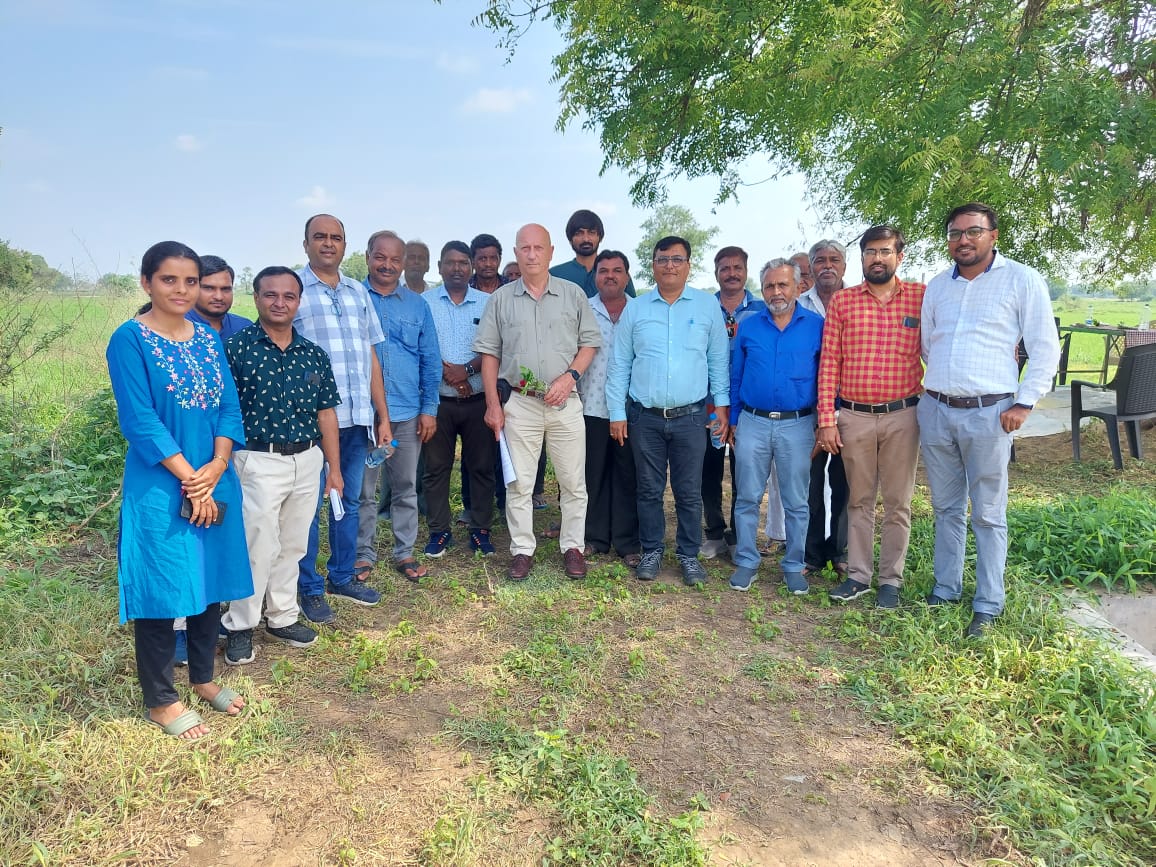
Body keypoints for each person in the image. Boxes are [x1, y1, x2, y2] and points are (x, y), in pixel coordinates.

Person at [106, 241, 251, 739]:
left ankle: (204, 678)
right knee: (162, 586)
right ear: (147, 283)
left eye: (191, 281)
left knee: (209, 578)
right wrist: (191, 478)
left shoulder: (208, 339)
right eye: (170, 280)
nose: (183, 291)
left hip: (214, 473)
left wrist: (217, 464)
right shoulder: (129, 340)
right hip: (162, 482)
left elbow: (229, 407)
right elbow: (140, 419)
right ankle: (161, 699)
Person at [920, 203, 1060, 638]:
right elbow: (928, 345)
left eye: (973, 231)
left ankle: (987, 602)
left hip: (991, 414)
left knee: (988, 512)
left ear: (993, 235)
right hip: (937, 409)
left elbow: (1045, 347)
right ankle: (945, 588)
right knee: (944, 507)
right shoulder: (937, 287)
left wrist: (1024, 403)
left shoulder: (1021, 279)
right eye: (955, 232)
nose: (963, 239)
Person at [222, 267, 342, 664]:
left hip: (307, 459)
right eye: (271, 295)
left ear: (298, 301)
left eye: (288, 296)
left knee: (294, 542)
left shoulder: (313, 354)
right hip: (257, 459)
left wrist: (334, 469)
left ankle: (283, 615)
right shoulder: (236, 349)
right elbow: (223, 412)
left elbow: (326, 414)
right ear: (255, 298)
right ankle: (241, 623)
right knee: (258, 544)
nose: (280, 302)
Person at [474, 223, 601, 581]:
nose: (531, 254)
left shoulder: (573, 294)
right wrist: (492, 405)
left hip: (565, 400)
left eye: (538, 248)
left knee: (573, 480)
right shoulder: (501, 299)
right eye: (524, 248)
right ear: (516, 253)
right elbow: (489, 355)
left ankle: (573, 546)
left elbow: (589, 343)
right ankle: (521, 549)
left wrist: (569, 377)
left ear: (550, 252)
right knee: (520, 484)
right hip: (521, 402)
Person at [606, 236, 730, 586]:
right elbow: (620, 364)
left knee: (689, 491)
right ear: (654, 265)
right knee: (648, 488)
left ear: (689, 265)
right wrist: (617, 412)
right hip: (644, 417)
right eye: (663, 259)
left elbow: (719, 361)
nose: (670, 265)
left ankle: (689, 556)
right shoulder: (637, 309)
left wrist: (720, 406)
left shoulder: (706, 307)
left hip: (691, 417)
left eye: (677, 259)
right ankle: (652, 551)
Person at [816, 226, 925, 610]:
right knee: (858, 500)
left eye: (885, 251)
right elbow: (830, 362)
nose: (877, 259)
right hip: (855, 417)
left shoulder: (920, 298)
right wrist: (827, 419)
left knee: (898, 503)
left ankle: (890, 582)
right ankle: (859, 576)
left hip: (903, 416)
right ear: (861, 257)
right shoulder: (843, 303)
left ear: (899, 256)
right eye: (870, 252)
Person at [294, 214, 392, 624]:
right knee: (306, 507)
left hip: (358, 418)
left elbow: (371, 356)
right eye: (320, 237)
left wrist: (382, 416)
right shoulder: (293, 291)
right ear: (306, 244)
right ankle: (308, 587)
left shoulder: (357, 292)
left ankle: (341, 575)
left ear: (345, 246)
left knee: (349, 500)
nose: (328, 244)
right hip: (313, 421)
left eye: (336, 238)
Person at [728, 258, 824, 594]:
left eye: (783, 284)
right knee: (748, 497)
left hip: (798, 425)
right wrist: (734, 421)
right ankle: (746, 561)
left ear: (798, 286)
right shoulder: (749, 326)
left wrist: (824, 424)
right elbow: (736, 375)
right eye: (769, 285)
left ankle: (794, 565)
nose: (776, 291)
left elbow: (827, 378)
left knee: (797, 501)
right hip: (753, 422)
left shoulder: (816, 326)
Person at [356, 230, 440, 582]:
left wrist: (429, 408)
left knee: (405, 486)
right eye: (381, 257)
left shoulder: (418, 305)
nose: (387, 265)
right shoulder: (352, 298)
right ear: (368, 257)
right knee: (363, 490)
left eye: (395, 259)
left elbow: (430, 359)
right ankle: (362, 553)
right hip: (360, 415)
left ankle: (404, 551)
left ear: (404, 264)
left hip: (406, 412)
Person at [424, 241, 498, 557]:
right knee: (436, 469)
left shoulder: (489, 302)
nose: (457, 268)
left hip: (479, 400)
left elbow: (497, 346)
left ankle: (481, 529)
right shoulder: (424, 303)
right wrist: (450, 376)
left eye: (463, 263)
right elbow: (421, 348)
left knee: (481, 467)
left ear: (470, 267)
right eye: (450, 262)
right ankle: (439, 532)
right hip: (438, 402)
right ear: (439, 266)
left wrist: (466, 372)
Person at [701, 246, 764, 559]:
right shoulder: (703, 307)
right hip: (709, 404)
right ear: (716, 273)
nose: (731, 274)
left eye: (737, 267)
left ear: (746, 270)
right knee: (708, 469)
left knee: (744, 470)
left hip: (747, 406)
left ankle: (739, 536)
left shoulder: (762, 309)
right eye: (725, 268)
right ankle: (713, 532)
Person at [581, 250, 641, 565]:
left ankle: (628, 542)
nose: (610, 276)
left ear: (627, 276)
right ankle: (594, 538)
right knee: (593, 475)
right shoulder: (582, 309)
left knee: (628, 474)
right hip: (589, 406)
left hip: (632, 411)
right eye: (604, 271)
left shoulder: (640, 310)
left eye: (617, 270)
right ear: (595, 276)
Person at [800, 239, 850, 577]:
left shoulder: (858, 301)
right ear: (812, 266)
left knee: (846, 485)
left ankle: (842, 551)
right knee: (810, 483)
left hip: (850, 408)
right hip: (808, 409)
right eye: (820, 260)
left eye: (834, 260)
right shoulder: (798, 303)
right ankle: (811, 553)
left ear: (845, 266)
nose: (827, 266)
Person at [549, 209, 636, 298]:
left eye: (591, 233)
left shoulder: (618, 273)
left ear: (600, 237)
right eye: (579, 233)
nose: (586, 239)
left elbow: (633, 307)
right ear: (570, 239)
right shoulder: (554, 275)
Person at [186, 255, 252, 338]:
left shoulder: (245, 328)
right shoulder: (173, 327)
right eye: (209, 288)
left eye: (225, 289)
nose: (219, 297)